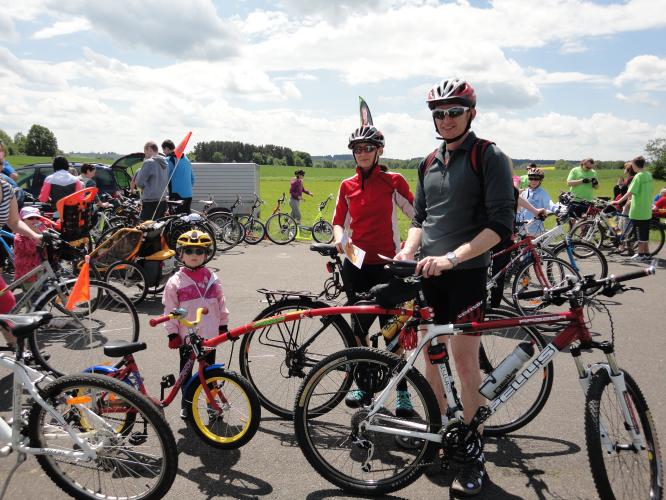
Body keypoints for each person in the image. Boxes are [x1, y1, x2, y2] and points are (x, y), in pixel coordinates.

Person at [395, 78, 515, 496]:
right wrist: (409, 250)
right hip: (429, 275)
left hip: (465, 275)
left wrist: (454, 257)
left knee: (465, 365)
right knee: (430, 359)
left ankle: (472, 448)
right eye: (438, 113)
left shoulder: (489, 156)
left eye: (453, 111)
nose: (445, 119)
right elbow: (420, 219)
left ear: (471, 114)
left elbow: (501, 224)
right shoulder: (428, 161)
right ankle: (436, 434)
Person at [332, 124, 415, 416]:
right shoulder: (347, 185)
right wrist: (340, 239)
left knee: (392, 332)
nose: (362, 153)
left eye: (368, 148)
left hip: (387, 263)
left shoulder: (393, 180)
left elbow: (417, 216)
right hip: (355, 261)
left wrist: (411, 248)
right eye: (357, 149)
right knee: (359, 330)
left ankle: (402, 392)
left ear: (379, 151)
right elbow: (338, 222)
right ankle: (365, 385)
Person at [161, 230, 229, 419]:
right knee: (187, 373)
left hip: (210, 336)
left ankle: (211, 404)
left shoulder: (213, 279)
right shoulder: (175, 282)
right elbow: (170, 310)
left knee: (211, 372)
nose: (194, 255)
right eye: (189, 251)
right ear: (181, 254)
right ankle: (187, 404)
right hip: (187, 337)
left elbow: (221, 303)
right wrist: (172, 333)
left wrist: (223, 325)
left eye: (199, 251)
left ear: (206, 254)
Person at [0, 177, 48, 358]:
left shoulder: (6, 189)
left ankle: (18, 351)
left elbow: (14, 222)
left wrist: (36, 235)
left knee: (6, 304)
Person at [611, 156, 654, 261]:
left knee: (639, 233)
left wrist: (618, 201)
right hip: (647, 207)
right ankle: (646, 253)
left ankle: (640, 254)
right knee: (644, 232)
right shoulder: (648, 175)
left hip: (638, 208)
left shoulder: (638, 177)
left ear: (635, 165)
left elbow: (630, 192)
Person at [12, 206, 48, 293]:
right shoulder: (19, 236)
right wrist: (38, 235)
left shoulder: (41, 231)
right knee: (32, 294)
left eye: (37, 218)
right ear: (22, 221)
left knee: (40, 291)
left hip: (39, 268)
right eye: (30, 218)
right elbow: (30, 249)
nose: (35, 220)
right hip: (27, 273)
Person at [131, 141, 169, 221]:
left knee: (145, 228)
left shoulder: (149, 162)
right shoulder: (165, 162)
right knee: (158, 227)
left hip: (150, 201)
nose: (145, 155)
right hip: (162, 200)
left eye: (145, 152)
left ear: (150, 149)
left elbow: (139, 183)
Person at [518, 167, 555, 234]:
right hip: (523, 227)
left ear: (540, 180)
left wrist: (557, 210)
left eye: (536, 179)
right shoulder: (525, 192)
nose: (533, 181)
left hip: (536, 229)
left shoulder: (542, 193)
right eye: (531, 178)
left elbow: (549, 203)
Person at [163, 139, 195, 214]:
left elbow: (164, 177)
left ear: (167, 148)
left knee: (174, 221)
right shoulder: (187, 159)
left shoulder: (169, 159)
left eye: (163, 150)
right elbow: (193, 179)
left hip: (176, 195)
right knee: (186, 220)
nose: (164, 153)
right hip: (189, 194)